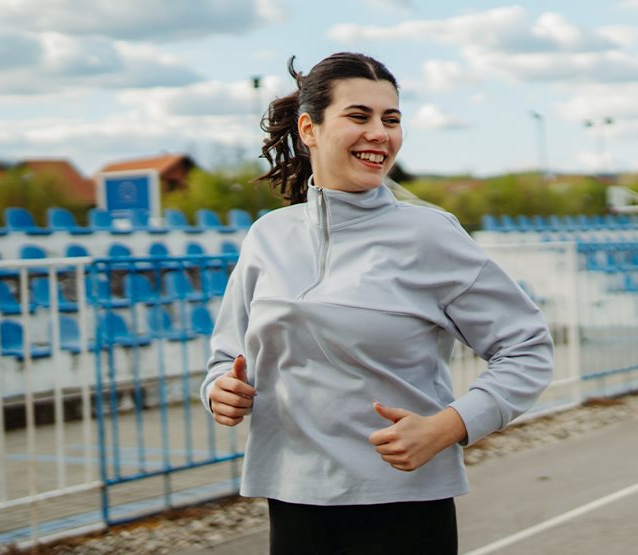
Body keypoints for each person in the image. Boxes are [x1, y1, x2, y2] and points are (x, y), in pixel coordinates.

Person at [201, 52, 554, 554]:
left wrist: (450, 426)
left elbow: (527, 347)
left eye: (391, 119)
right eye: (359, 116)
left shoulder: (430, 234)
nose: (379, 134)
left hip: (404, 504)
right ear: (309, 128)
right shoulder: (267, 236)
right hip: (292, 497)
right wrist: (219, 389)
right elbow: (226, 356)